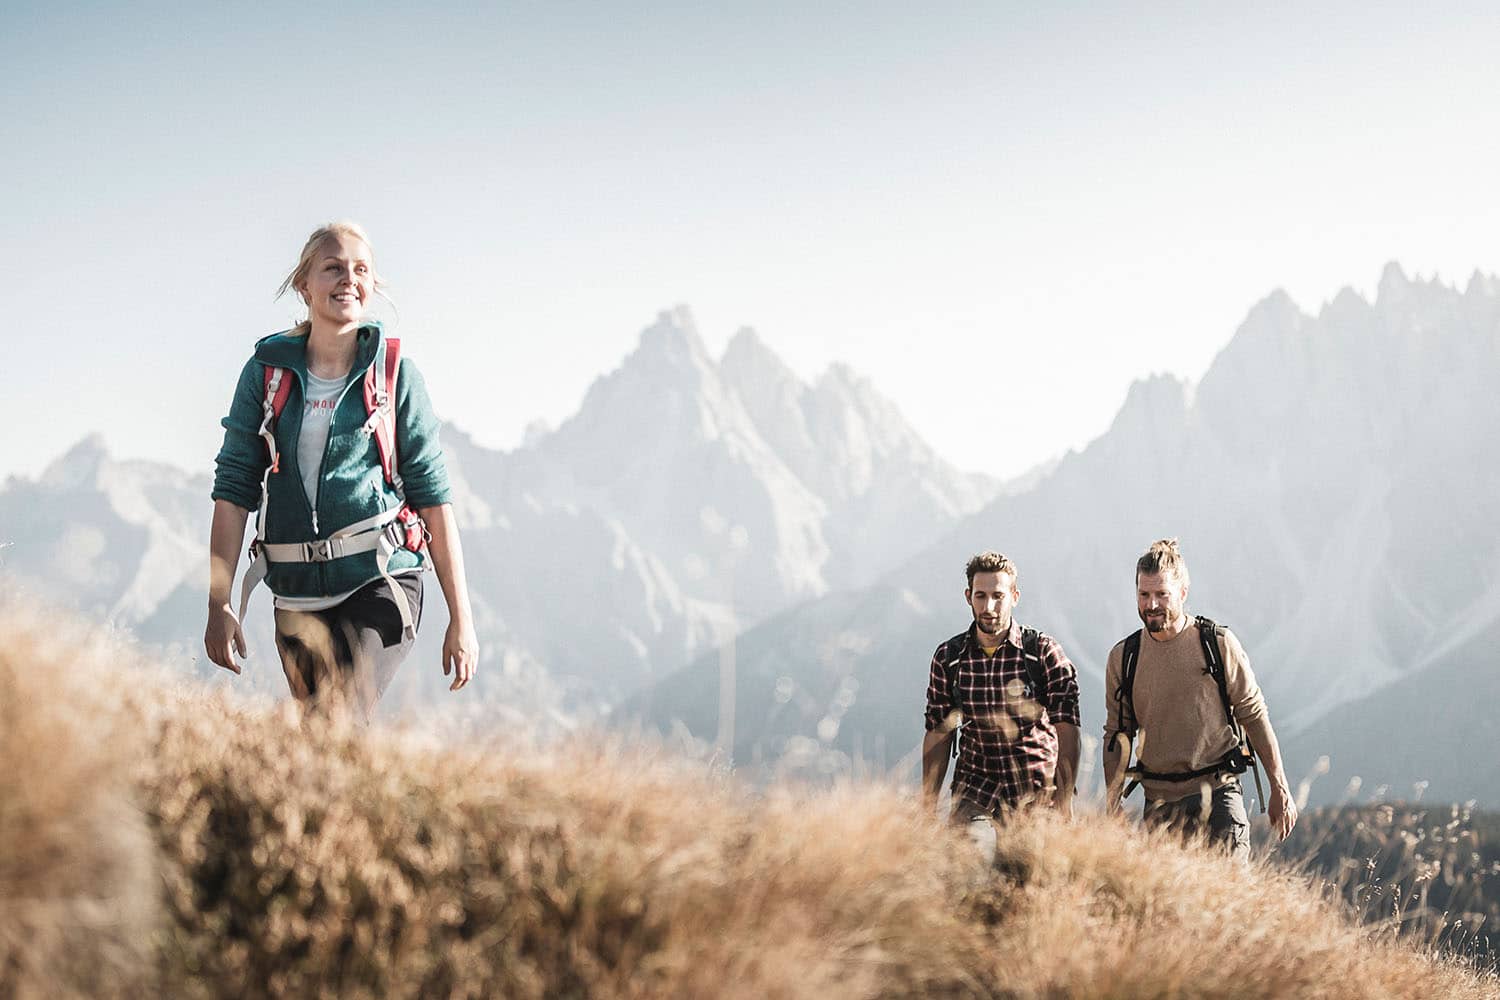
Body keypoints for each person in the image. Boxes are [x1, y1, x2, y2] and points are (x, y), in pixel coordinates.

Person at [203, 221, 478, 722]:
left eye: (361, 270)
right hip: (295, 595)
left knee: (339, 718)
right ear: (304, 285)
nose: (349, 279)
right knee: (321, 737)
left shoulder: (395, 375)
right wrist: (219, 604)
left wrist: (461, 618)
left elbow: (434, 499)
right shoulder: (265, 374)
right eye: (333, 268)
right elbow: (234, 490)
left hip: (381, 579)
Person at [1103, 539, 1296, 858]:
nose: (1152, 604)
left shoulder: (1217, 644)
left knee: (1230, 890)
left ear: (1182, 592)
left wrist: (1279, 787)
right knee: (1164, 893)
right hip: (1159, 807)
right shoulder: (1124, 657)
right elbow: (1117, 735)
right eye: (1144, 594)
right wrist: (1113, 804)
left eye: (1161, 594)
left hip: (1219, 796)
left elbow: (1253, 715)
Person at [922, 551, 1082, 832]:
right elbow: (939, 731)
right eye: (980, 596)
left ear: (1014, 597)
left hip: (1035, 794)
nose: (989, 607)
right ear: (968, 597)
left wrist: (1064, 801)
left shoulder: (1041, 652)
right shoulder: (949, 658)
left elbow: (1067, 727)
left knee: (1029, 859)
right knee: (972, 853)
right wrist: (927, 806)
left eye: (998, 596)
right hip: (975, 792)